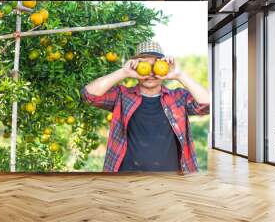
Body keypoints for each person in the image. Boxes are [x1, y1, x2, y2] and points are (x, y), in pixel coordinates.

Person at [80, 41, 210, 174]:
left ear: (164, 67)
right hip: (126, 179)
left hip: (171, 179)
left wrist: (179, 75)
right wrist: (123, 72)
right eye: (145, 66)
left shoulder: (178, 97)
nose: (151, 73)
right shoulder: (122, 95)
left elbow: (208, 105)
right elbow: (88, 95)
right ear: (135, 67)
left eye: (156, 66)